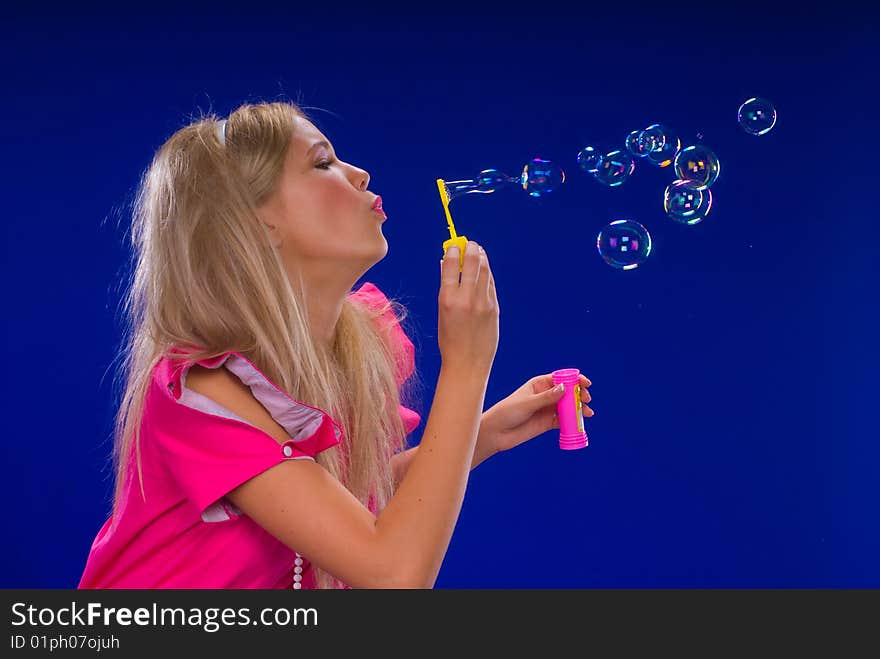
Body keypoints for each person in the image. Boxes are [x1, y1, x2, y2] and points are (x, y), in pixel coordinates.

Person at [78, 101, 594, 589]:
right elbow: (393, 573)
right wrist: (467, 364)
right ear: (257, 223)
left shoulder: (354, 347)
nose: (360, 173)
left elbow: (336, 508)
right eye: (323, 163)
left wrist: (485, 434)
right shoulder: (204, 392)